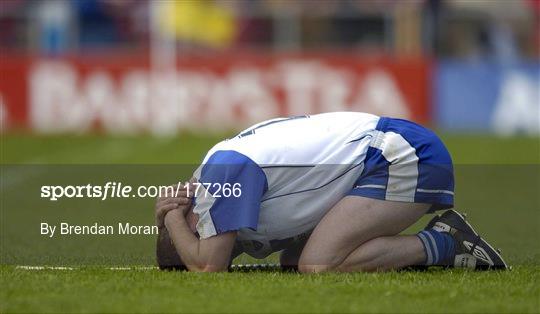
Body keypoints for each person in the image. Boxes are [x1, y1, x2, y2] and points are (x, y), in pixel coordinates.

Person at [154, 112, 507, 272]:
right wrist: (171, 219)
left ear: (193, 216)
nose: (225, 248)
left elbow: (206, 265)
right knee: (294, 260)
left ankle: (449, 243)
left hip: (401, 154)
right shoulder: (216, 174)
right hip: (386, 152)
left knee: (316, 264)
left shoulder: (223, 172)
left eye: (199, 234)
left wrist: (170, 217)